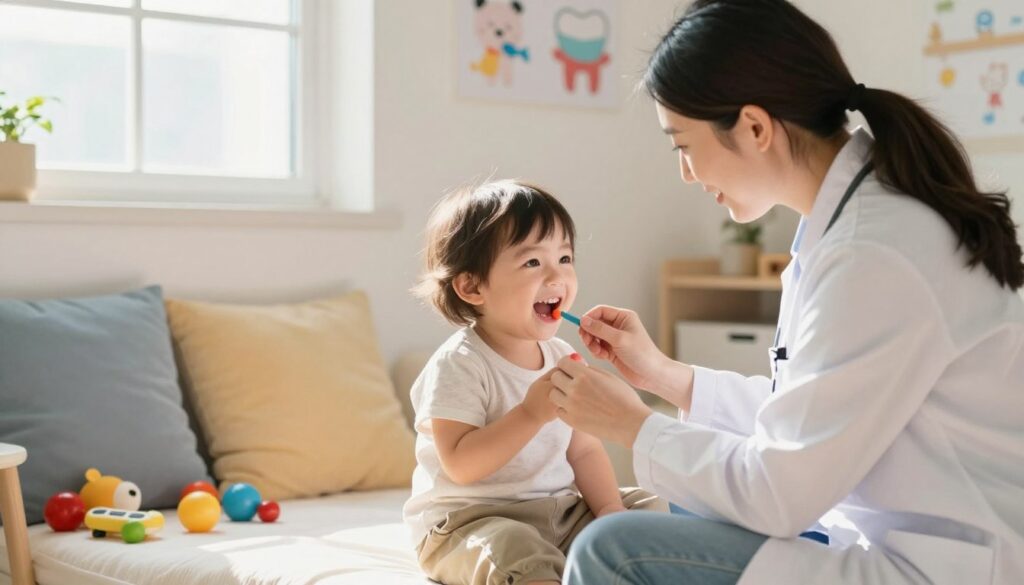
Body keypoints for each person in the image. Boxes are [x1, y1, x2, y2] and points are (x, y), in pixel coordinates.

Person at [546, 1, 1024, 584]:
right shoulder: (855, 225)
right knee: (687, 504)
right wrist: (666, 377)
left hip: (944, 566)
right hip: (896, 534)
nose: (686, 175)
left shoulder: (873, 253)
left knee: (612, 550)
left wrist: (634, 426)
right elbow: (810, 424)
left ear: (754, 127)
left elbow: (778, 491)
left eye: (682, 146)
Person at [402, 180, 664, 585]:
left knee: (650, 510)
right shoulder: (460, 364)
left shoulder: (561, 356)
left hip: (556, 512)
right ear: (472, 287)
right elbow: (461, 465)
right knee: (518, 552)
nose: (557, 275)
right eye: (532, 263)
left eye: (564, 257)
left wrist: (611, 510)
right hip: (470, 523)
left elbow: (584, 449)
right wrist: (530, 413)